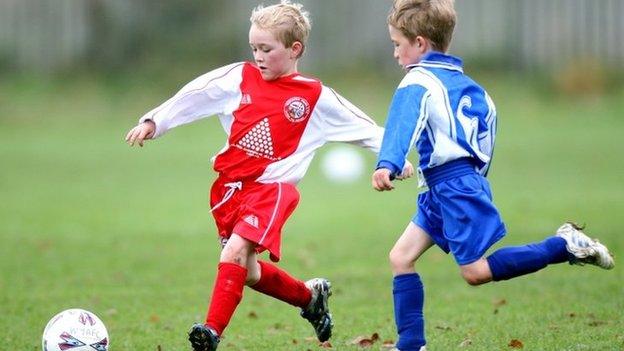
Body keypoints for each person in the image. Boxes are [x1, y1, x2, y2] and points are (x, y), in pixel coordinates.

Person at [125, 1, 412, 350]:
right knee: (247, 271)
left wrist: (393, 157)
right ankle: (309, 297)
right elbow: (196, 95)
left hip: (272, 191)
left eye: (267, 49)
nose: (258, 56)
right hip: (230, 189)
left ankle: (211, 332)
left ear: (295, 50)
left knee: (233, 253)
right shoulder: (239, 77)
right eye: (254, 48)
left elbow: (364, 128)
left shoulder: (313, 96)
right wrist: (156, 121)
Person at [371, 1, 615, 350]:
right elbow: (485, 142)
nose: (395, 53)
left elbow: (402, 124)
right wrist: (471, 182)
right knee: (401, 257)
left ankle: (562, 245)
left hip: (451, 185)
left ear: (420, 43)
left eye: (397, 44)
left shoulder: (417, 80)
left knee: (474, 273)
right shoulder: (474, 89)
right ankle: (411, 344)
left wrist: (388, 163)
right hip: (449, 185)